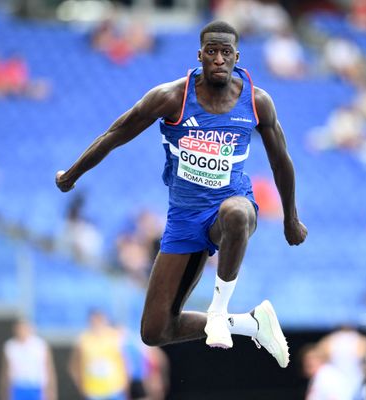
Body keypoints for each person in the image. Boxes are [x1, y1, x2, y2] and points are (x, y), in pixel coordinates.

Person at [56, 20, 307, 368]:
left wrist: (291, 218)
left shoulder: (257, 101)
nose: (219, 59)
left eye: (225, 53)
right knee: (155, 331)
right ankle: (250, 323)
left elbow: (282, 161)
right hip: (183, 220)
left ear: (236, 57)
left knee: (237, 212)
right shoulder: (172, 97)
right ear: (200, 55)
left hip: (229, 208)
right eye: (212, 52)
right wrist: (72, 174)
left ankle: (219, 311)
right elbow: (116, 133)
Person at [68, 310, 129, 400]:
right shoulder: (83, 340)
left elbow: (125, 362)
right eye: (94, 320)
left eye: (99, 320)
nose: (97, 323)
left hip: (115, 390)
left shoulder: (115, 337)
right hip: (92, 392)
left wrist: (126, 384)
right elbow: (74, 366)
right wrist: (80, 385)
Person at [0, 319, 57, 400]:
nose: (22, 331)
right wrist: (4, 391)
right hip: (17, 385)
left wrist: (52, 390)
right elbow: (5, 370)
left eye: (24, 328)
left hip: (37, 385)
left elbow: (49, 368)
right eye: (19, 329)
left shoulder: (40, 345)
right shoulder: (10, 346)